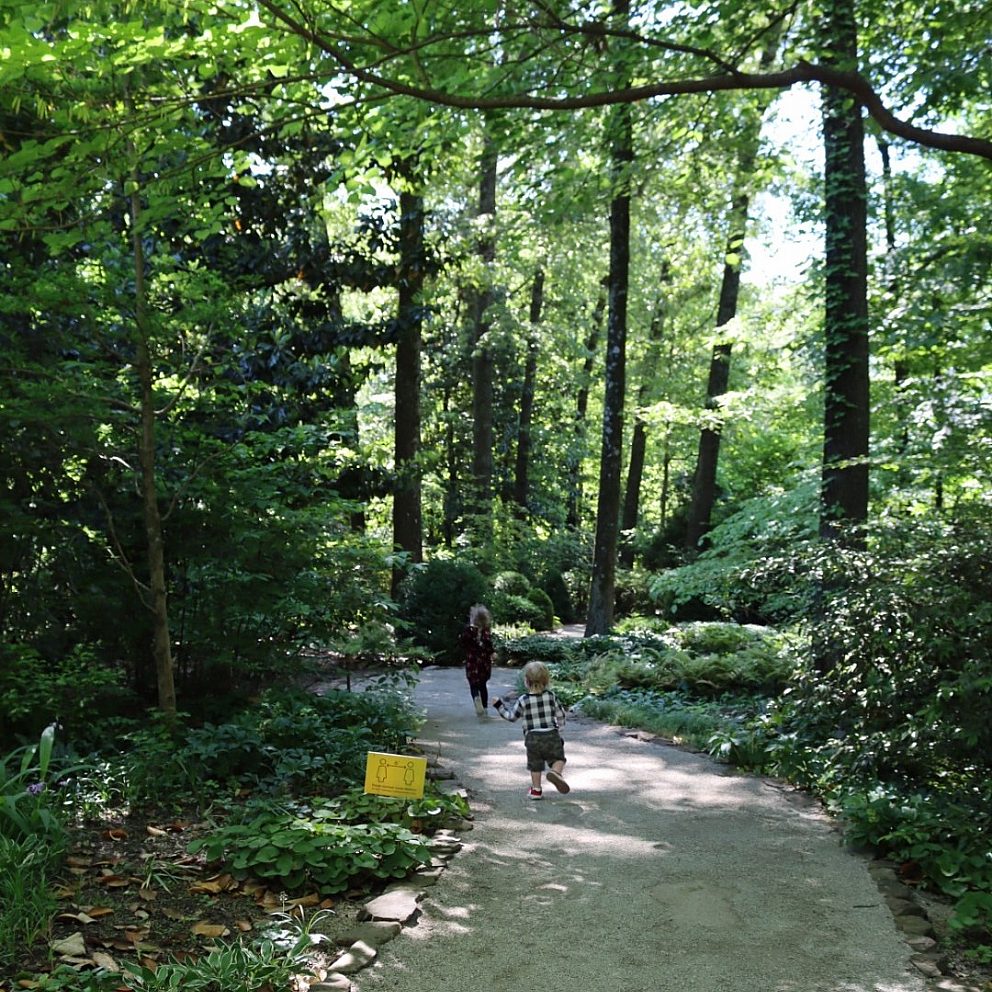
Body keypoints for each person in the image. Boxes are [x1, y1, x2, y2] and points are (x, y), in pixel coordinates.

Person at [493, 660, 570, 800]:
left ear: (526, 681)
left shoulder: (523, 700)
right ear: (546, 681)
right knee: (559, 759)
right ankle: (556, 773)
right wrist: (560, 730)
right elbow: (560, 714)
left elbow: (511, 717)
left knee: (535, 765)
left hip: (532, 737)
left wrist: (499, 706)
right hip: (551, 734)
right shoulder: (551, 696)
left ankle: (536, 790)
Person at [459, 603, 494, 717]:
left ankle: (476, 699)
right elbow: (490, 648)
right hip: (484, 663)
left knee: (473, 685)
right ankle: (485, 707)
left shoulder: (468, 631)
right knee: (483, 685)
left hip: (472, 662)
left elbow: (463, 643)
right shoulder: (486, 632)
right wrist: (492, 654)